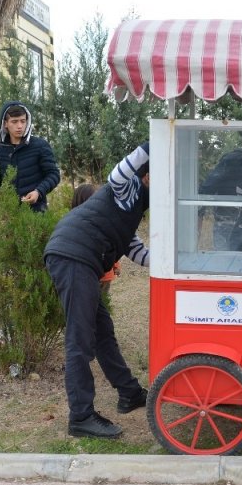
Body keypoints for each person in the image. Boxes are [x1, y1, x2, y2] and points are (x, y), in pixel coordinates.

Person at [44, 142, 151, 439]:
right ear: (148, 177)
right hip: (73, 256)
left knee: (103, 331)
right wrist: (152, 146)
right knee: (79, 339)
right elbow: (117, 174)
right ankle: (81, 417)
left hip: (81, 261)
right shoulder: (126, 188)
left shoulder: (132, 210)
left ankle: (129, 393)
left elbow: (137, 252)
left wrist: (174, 263)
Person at [0, 101, 60, 212]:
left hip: (36, 212)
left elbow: (54, 174)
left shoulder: (40, 146)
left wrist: (38, 192)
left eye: (23, 121)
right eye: (14, 121)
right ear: (5, 124)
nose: (20, 126)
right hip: (6, 213)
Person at [70, 184, 121, 296]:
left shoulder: (73, 222)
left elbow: (112, 246)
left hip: (100, 275)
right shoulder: (79, 223)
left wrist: (116, 265)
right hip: (90, 274)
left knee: (96, 303)